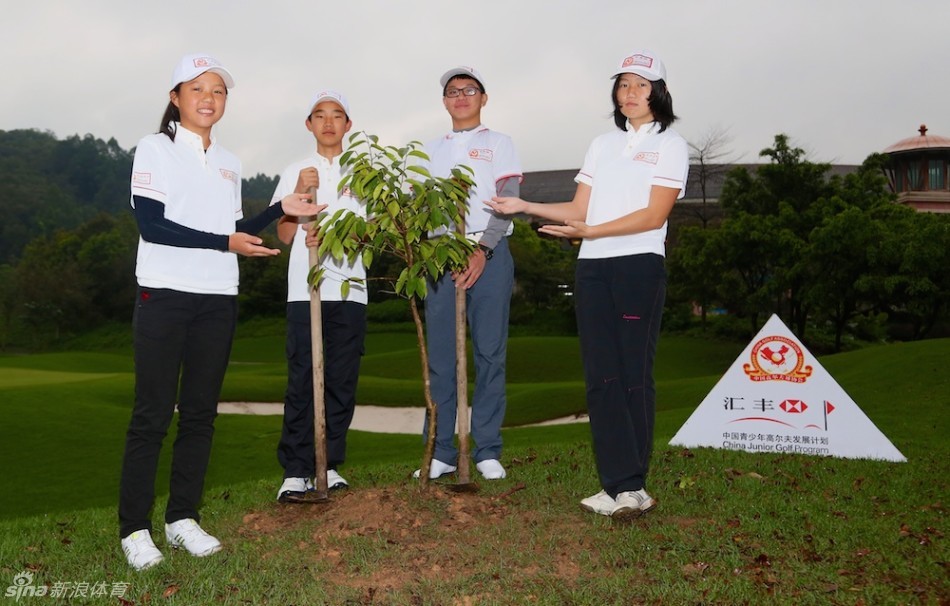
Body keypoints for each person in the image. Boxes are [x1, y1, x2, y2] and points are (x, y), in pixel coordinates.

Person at [119, 53, 324, 570]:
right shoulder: (154, 148)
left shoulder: (230, 161)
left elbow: (235, 230)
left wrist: (280, 209)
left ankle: (182, 517)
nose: (208, 98)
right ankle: (135, 529)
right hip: (164, 294)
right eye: (197, 89)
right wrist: (225, 243)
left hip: (217, 297)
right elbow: (152, 225)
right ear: (175, 98)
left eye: (218, 90)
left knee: (200, 414)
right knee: (151, 415)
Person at [486, 49, 688, 518]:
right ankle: (614, 484)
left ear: (658, 92)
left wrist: (592, 231)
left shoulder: (671, 144)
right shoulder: (602, 144)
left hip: (638, 265)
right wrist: (525, 206)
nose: (629, 93)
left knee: (633, 374)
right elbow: (579, 210)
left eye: (640, 85)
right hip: (593, 268)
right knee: (601, 378)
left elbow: (654, 215)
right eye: (623, 85)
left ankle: (634, 486)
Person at [414, 66, 523, 481]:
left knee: (490, 353)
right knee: (442, 357)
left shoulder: (499, 143)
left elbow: (507, 200)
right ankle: (442, 450)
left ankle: (487, 449)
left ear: (483, 98)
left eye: (469, 90)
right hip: (440, 256)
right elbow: (417, 209)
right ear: (444, 101)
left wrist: (482, 250)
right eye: (453, 91)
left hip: (488, 252)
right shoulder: (430, 150)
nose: (461, 96)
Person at [271, 90, 367, 503]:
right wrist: (298, 193)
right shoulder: (295, 169)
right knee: (303, 380)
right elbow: (284, 234)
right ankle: (296, 471)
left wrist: (342, 236)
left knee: (341, 381)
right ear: (309, 124)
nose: (329, 122)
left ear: (348, 124)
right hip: (304, 288)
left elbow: (376, 234)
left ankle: (328, 464)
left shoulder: (363, 172)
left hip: (351, 289)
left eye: (337, 115)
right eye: (320, 115)